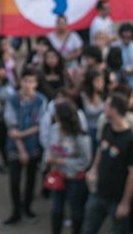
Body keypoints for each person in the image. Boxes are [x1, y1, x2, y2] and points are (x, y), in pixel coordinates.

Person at [84, 91, 133, 234]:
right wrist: (93, 169)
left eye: (107, 105)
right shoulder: (107, 127)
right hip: (99, 193)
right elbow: (101, 150)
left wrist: (125, 202)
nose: (104, 107)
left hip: (117, 199)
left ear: (114, 110)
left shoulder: (132, 141)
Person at [3, 68, 47, 226]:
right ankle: (15, 211)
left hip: (33, 147)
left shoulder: (41, 100)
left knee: (31, 180)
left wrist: (21, 135)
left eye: (31, 81)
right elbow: (11, 126)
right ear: (20, 82)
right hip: (15, 149)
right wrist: (21, 148)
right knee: (14, 181)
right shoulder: (12, 100)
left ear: (36, 84)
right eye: (25, 81)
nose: (28, 85)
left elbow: (41, 125)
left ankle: (27, 208)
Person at [43, 99, 92, 234]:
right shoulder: (54, 129)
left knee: (76, 212)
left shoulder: (80, 137)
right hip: (58, 176)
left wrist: (61, 162)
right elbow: (49, 146)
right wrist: (48, 158)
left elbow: (85, 161)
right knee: (56, 210)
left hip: (75, 179)